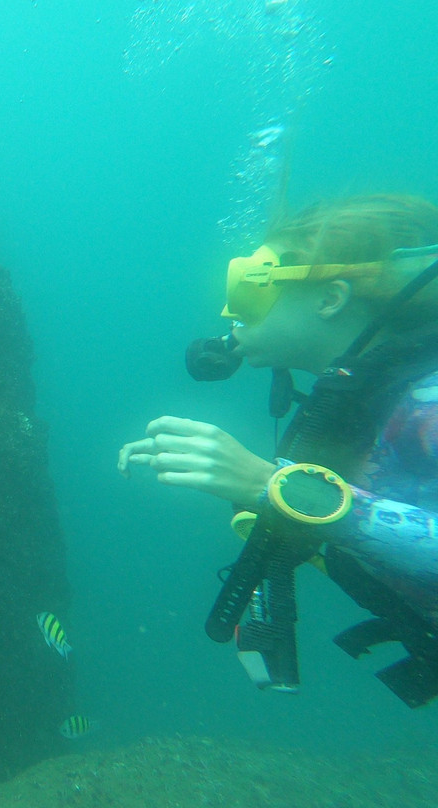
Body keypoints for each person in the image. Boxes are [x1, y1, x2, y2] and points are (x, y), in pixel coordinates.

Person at [118, 194, 438, 707]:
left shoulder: (427, 404)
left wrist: (273, 487)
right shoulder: (355, 400)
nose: (228, 317)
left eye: (250, 294)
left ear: (331, 298)